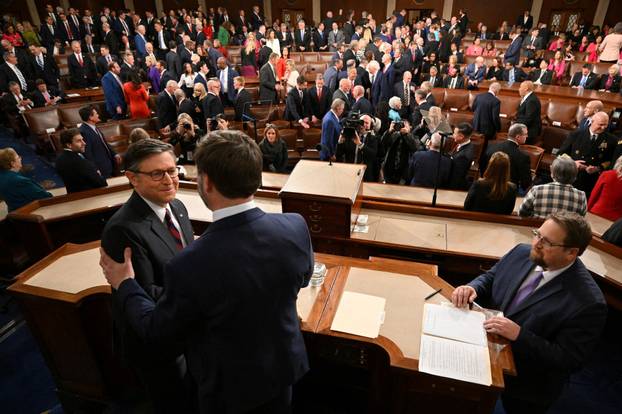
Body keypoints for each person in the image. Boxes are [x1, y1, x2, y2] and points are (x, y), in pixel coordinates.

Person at [100, 130, 314, 414]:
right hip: (282, 368)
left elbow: (158, 330)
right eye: (157, 173)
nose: (170, 179)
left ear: (207, 182)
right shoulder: (296, 226)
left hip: (229, 387)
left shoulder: (190, 264)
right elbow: (300, 279)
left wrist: (124, 284)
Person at [451, 212, 607, 414]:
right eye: (537, 234)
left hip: (527, 385)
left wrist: (519, 335)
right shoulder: (520, 252)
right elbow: (491, 277)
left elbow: (568, 360)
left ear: (571, 252)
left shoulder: (589, 303)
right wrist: (473, 288)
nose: (536, 244)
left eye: (547, 242)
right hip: (483, 355)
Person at [100, 139, 194, 414]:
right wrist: (204, 294)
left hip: (185, 328)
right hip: (157, 344)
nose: (169, 180)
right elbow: (143, 293)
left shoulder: (177, 208)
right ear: (132, 178)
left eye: (173, 170)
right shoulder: (122, 229)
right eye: (157, 174)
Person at [559, 112, 616, 198]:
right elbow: (561, 153)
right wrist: (573, 163)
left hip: (592, 179)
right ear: (592, 122)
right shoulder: (576, 134)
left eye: (606, 125)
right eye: (600, 124)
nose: (603, 127)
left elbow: (610, 160)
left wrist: (598, 168)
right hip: (573, 175)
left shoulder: (611, 140)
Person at [519, 156, 587, 218]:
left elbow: (522, 212)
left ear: (552, 171)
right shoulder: (582, 195)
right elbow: (581, 219)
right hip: (566, 231)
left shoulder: (537, 190)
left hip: (538, 229)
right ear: (575, 175)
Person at [483, 123, 532, 193]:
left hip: (487, 188)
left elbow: (483, 167)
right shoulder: (522, 157)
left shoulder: (492, 146)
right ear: (518, 137)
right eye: (525, 134)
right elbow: (526, 183)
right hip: (508, 192)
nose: (527, 136)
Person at [55, 128, 107, 193]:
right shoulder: (80, 162)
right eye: (79, 141)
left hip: (73, 198)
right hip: (90, 197)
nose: (84, 143)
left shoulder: (59, 159)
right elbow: (102, 184)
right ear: (69, 145)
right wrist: (99, 175)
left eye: (82, 140)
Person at [78, 105, 120, 178]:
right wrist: (95, 169)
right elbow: (87, 153)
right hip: (101, 168)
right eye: (96, 114)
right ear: (90, 117)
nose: (98, 115)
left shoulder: (93, 127)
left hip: (108, 164)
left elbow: (104, 143)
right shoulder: (83, 132)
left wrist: (114, 154)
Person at [587, 155, 622, 221]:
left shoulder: (607, 174)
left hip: (596, 214)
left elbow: (594, 195)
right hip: (616, 221)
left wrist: (587, 211)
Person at [448, 123, 475, 190]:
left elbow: (456, 178)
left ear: (461, 136)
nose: (453, 135)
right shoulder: (465, 144)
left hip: (455, 187)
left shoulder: (463, 156)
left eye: (454, 133)